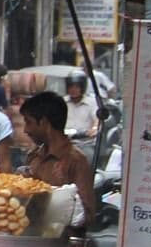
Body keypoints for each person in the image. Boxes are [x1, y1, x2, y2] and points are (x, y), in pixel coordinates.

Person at [20, 91, 96, 230]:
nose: (25, 130)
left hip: (60, 245)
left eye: (28, 122)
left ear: (44, 122)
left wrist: (58, 201)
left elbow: (88, 215)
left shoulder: (76, 161)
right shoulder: (33, 156)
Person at [63, 73, 98, 140]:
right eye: (71, 86)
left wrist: (94, 128)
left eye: (77, 87)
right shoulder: (61, 102)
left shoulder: (91, 103)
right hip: (65, 140)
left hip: (85, 141)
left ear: (83, 87)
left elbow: (97, 119)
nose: (73, 89)